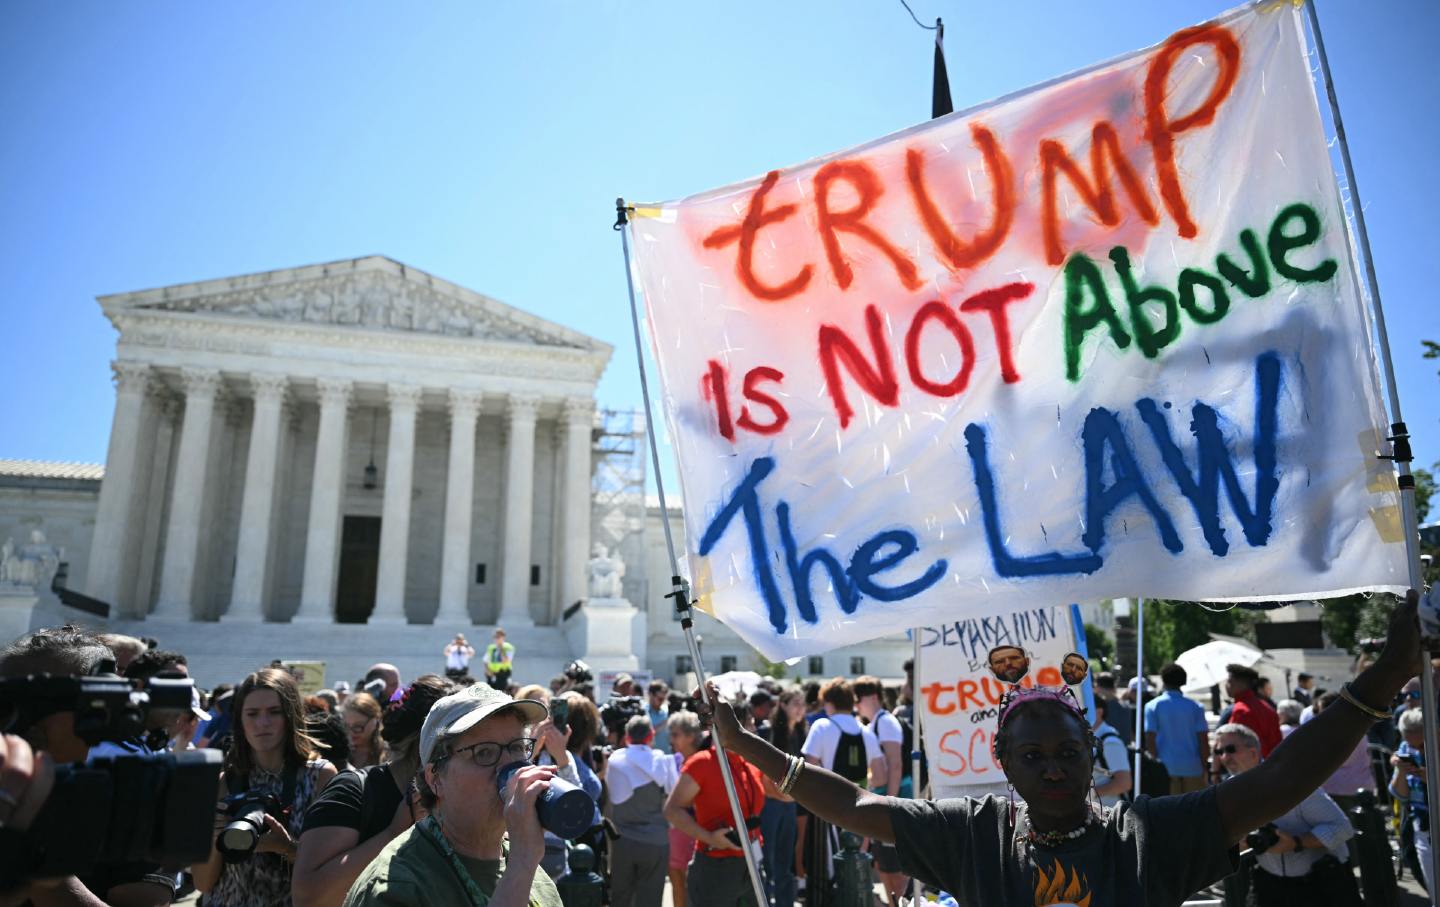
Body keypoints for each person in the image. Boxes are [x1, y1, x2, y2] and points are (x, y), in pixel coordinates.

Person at [695, 590, 1424, 906]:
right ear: (1002, 762)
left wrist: (1389, 670)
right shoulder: (974, 832)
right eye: (1034, 754)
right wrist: (741, 743)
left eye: (1067, 752)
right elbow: (854, 802)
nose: (1053, 766)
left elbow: (1283, 777)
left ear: (1091, 754)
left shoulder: (1144, 832)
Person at [0, 625, 178, 907]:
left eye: (37, 703)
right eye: (4, 701)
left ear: (98, 712)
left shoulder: (133, 801)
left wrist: (40, 868)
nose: (14, 720)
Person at [340, 683, 562, 907]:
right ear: (435, 779)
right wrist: (522, 865)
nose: (510, 767)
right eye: (484, 752)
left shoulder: (534, 874)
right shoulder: (397, 887)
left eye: (517, 747)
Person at [294, 675, 459, 907]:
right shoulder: (354, 790)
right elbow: (308, 897)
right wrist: (394, 833)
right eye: (454, 737)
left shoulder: (462, 794)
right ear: (422, 738)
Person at [193, 668, 339, 907]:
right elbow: (202, 884)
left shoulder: (320, 776)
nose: (263, 723)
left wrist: (286, 847)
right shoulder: (225, 782)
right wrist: (216, 839)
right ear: (240, 720)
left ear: (290, 716)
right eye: (252, 714)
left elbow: (332, 869)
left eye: (274, 712)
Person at [1214, 723, 1359, 905]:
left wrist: (1296, 842)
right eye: (1219, 752)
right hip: (1268, 881)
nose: (1225, 757)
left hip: (1320, 883)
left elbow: (1342, 827)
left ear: (1253, 752)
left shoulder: (1292, 783)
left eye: (1230, 749)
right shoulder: (1229, 792)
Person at [663, 719, 767, 907]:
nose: (753, 729)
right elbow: (672, 810)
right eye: (748, 725)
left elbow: (785, 794)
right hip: (716, 866)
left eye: (751, 725)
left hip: (752, 864)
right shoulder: (703, 762)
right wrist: (709, 837)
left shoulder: (751, 762)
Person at [801, 678, 883, 904]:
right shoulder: (866, 731)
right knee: (856, 872)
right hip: (861, 809)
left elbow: (809, 768)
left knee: (825, 875)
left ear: (828, 703)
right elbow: (880, 774)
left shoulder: (822, 727)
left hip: (827, 809)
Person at [606, 715, 681, 907]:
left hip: (623, 842)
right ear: (652, 735)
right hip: (656, 842)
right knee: (651, 899)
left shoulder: (615, 760)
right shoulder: (664, 762)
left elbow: (612, 797)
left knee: (621, 897)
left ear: (627, 737)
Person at [855, 675, 908, 904]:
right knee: (883, 865)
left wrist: (890, 805)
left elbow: (895, 764)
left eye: (859, 699)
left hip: (894, 799)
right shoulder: (877, 722)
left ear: (873, 696)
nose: (856, 704)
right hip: (886, 798)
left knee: (893, 866)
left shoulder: (885, 722)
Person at [761, 690, 806, 907]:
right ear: (783, 705)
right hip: (771, 803)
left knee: (785, 859)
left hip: (789, 804)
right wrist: (785, 795)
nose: (800, 709)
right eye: (796, 703)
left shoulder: (799, 733)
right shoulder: (770, 732)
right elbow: (764, 772)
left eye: (803, 704)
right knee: (767, 858)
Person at [1144, 663, 1210, 794]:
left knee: (1169, 811)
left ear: (1163, 680)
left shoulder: (1152, 706)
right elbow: (1203, 740)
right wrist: (1205, 767)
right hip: (1193, 768)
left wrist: (1156, 765)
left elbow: (1150, 739)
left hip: (1165, 770)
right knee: (1193, 811)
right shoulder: (1196, 707)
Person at [665, 711, 704, 907]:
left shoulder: (704, 761)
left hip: (698, 831)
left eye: (675, 734)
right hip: (678, 830)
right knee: (677, 880)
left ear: (690, 736)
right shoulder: (675, 759)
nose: (670, 739)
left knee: (693, 884)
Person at [1390, 707, 1430, 892]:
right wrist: (1401, 771)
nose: (1416, 750)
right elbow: (1400, 794)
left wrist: (1428, 776)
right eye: (1411, 745)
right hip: (1421, 823)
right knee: (1429, 882)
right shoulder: (1406, 748)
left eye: (1421, 745)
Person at [1227, 664, 1282, 757]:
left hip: (1253, 766)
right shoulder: (1266, 707)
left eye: (1229, 682)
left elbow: (1238, 746)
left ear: (1238, 683)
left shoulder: (1241, 711)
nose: (1227, 686)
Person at [1091, 698, 1134, 807]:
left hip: (1110, 815)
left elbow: (1124, 783)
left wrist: (1089, 794)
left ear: (1099, 712)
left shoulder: (1110, 742)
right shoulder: (1089, 737)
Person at [343, 693, 385, 769]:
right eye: (346, 726)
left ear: (376, 720)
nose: (351, 732)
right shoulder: (339, 752)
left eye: (358, 726)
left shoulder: (389, 753)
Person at [1094, 672, 1134, 741]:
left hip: (1105, 747)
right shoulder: (1126, 706)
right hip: (1124, 749)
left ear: (1097, 687)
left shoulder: (1097, 708)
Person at [647, 680, 672, 754]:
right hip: (651, 758)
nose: (662, 702)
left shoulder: (666, 711)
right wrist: (664, 723)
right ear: (651, 694)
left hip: (667, 756)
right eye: (660, 699)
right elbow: (645, 735)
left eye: (664, 699)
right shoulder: (643, 712)